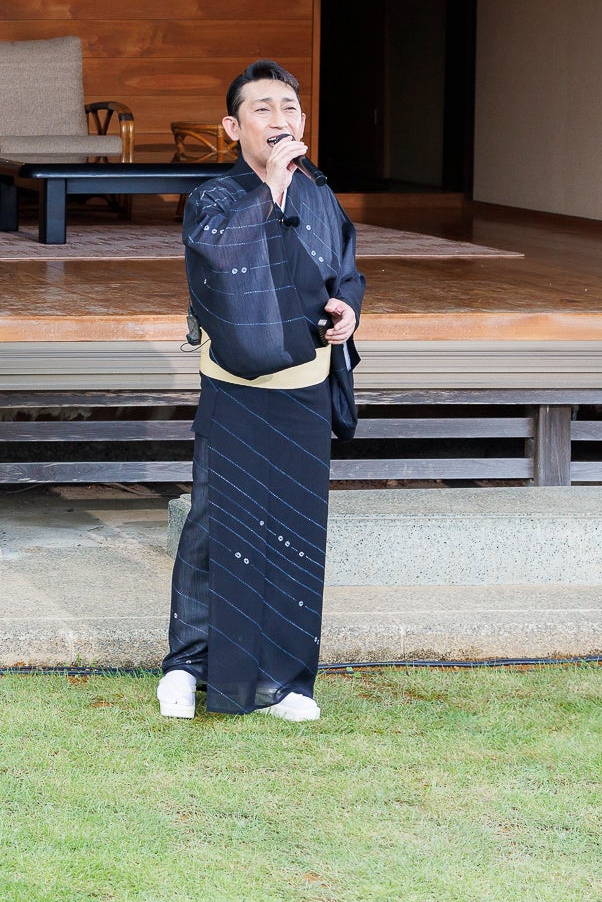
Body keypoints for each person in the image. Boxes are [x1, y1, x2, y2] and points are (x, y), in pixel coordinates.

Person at [160, 59, 363, 723]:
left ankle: (284, 678)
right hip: (238, 386)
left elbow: (346, 269)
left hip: (305, 383)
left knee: (296, 526)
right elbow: (219, 265)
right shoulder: (215, 198)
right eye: (263, 108)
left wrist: (348, 309)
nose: (281, 119)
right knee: (218, 521)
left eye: (290, 107)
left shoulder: (320, 192)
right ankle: (187, 664)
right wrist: (269, 189)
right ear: (232, 126)